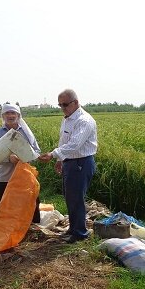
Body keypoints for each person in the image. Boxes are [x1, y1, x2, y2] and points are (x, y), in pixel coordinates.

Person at [39, 89, 98, 243]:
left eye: (65, 104)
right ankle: (73, 228)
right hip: (70, 162)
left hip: (81, 163)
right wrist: (60, 160)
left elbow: (75, 144)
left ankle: (79, 234)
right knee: (70, 196)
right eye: (60, 105)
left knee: (76, 198)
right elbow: (64, 141)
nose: (63, 108)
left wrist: (53, 154)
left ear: (76, 102)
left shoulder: (84, 120)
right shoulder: (68, 118)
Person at [0, 103, 41, 224]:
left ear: (18, 115)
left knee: (31, 205)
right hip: (4, 177)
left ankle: (34, 230)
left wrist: (24, 157)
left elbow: (37, 152)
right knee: (1, 207)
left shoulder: (27, 133)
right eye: (7, 113)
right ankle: (0, 232)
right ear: (3, 116)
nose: (10, 116)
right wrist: (8, 159)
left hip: (25, 176)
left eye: (13, 113)